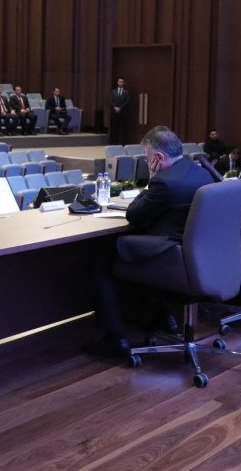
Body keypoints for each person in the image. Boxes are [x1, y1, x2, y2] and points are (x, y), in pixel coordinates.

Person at [89, 126, 216, 356]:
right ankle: (160, 314)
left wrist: (152, 180)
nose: (148, 163)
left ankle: (115, 338)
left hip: (170, 256)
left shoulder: (164, 182)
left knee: (101, 256)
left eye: (148, 158)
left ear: (158, 157)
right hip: (196, 255)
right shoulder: (200, 172)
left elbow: (134, 215)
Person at [111, 78, 131, 145]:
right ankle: (115, 142)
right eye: (120, 82)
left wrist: (120, 108)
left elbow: (127, 101)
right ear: (117, 82)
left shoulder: (126, 92)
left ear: (124, 83)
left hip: (123, 112)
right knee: (115, 128)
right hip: (115, 112)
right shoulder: (113, 91)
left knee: (123, 128)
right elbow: (111, 101)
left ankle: (123, 143)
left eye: (122, 82)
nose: (121, 83)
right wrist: (115, 107)